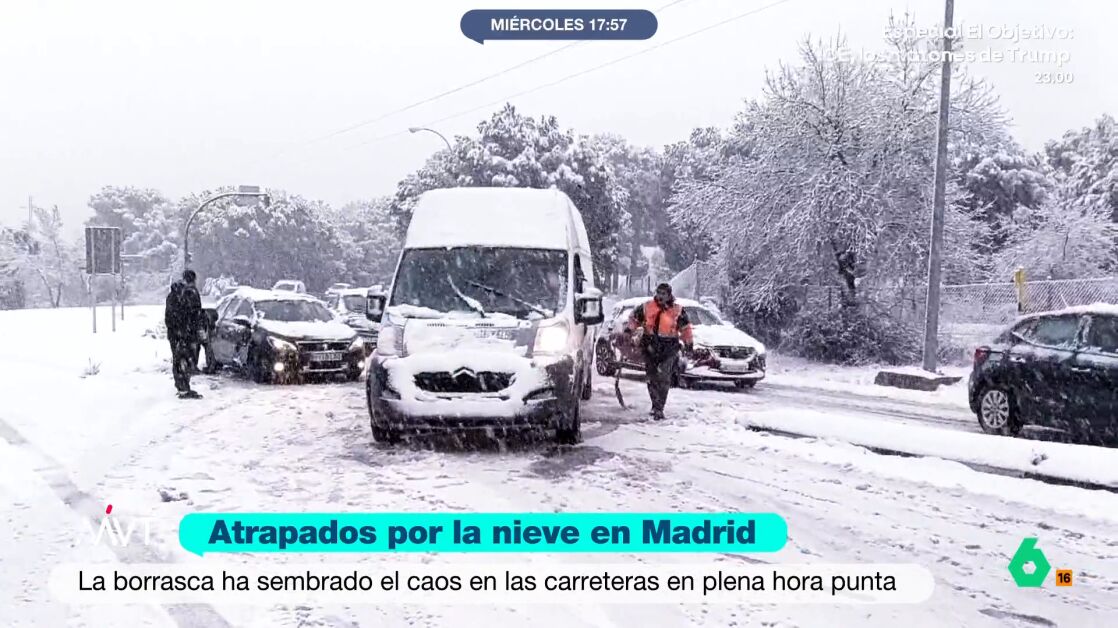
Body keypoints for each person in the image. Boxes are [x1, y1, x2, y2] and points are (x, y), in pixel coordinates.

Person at [625, 283, 693, 420]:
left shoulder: (677, 310)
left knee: (664, 377)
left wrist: (689, 343)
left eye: (663, 294)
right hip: (650, 347)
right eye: (658, 293)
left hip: (669, 348)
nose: (660, 296)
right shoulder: (646, 307)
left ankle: (659, 407)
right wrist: (629, 330)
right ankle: (655, 404)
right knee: (651, 378)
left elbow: (686, 328)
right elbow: (634, 319)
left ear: (669, 295)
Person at [165, 270, 204, 399]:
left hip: (176, 333)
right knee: (185, 359)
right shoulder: (190, 294)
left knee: (180, 359)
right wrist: (191, 330)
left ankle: (183, 386)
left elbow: (169, 317)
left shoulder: (173, 295)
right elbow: (195, 314)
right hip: (185, 334)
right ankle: (183, 388)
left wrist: (175, 330)